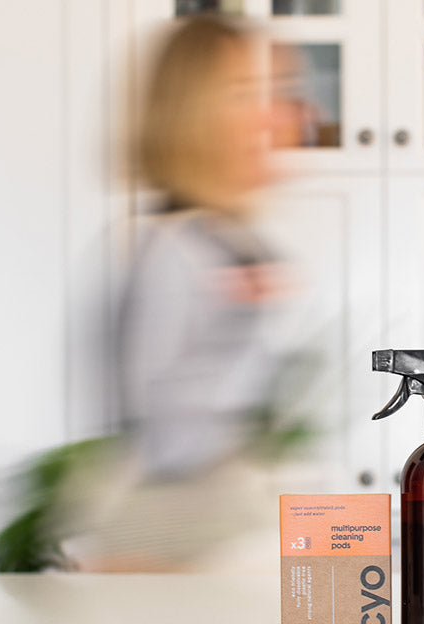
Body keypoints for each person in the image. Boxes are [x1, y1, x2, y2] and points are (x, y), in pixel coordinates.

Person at [56, 15, 301, 572]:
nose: (278, 115)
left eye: (278, 93)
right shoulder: (172, 249)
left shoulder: (228, 240)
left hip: (198, 531)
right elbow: (157, 427)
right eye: (245, 95)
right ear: (194, 116)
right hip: (168, 539)